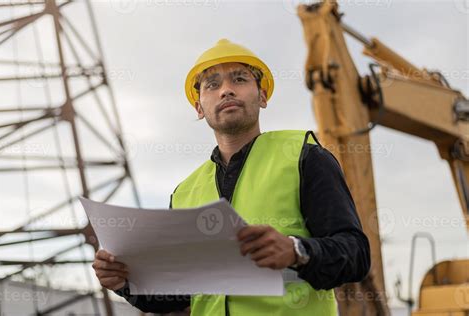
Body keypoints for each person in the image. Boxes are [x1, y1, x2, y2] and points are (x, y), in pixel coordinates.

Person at [92, 38, 370, 316]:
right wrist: (125, 281)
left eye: (239, 79)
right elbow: (177, 292)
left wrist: (296, 251)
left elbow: (356, 254)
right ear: (199, 108)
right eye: (212, 84)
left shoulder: (305, 158)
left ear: (262, 96)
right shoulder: (185, 192)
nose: (226, 90)